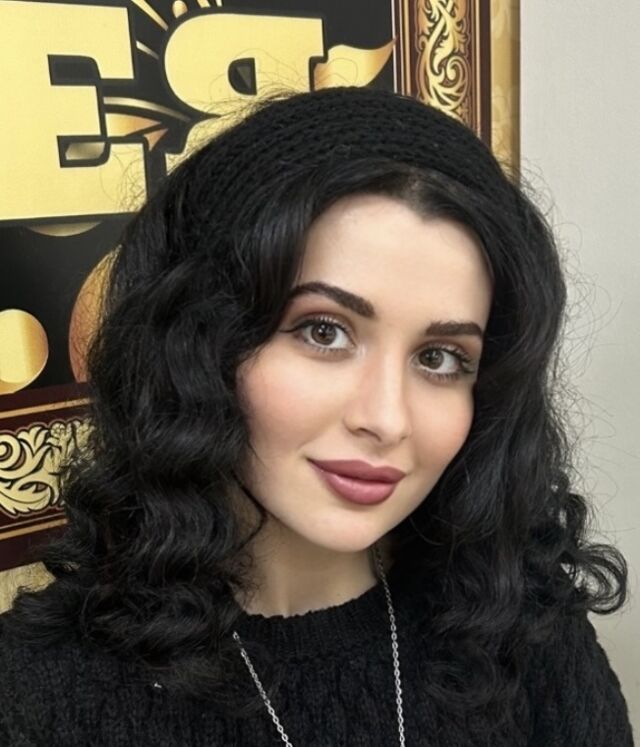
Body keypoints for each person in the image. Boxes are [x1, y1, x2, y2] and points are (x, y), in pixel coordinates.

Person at [0, 86, 633, 746]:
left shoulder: (524, 623)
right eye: (323, 332)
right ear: (198, 342)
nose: (387, 419)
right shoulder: (41, 693)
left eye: (441, 357)